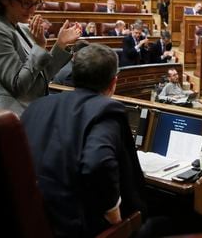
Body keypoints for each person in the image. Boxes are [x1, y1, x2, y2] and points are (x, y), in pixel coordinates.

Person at [21, 44, 147, 237]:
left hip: (33, 219)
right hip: (75, 227)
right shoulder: (105, 109)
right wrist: (112, 211)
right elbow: (97, 164)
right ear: (114, 82)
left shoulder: (36, 106)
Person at [0, 0, 81, 116]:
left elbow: (41, 76)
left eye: (36, 3)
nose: (33, 10)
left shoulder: (21, 27)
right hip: (4, 119)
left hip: (27, 112)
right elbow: (18, 85)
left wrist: (60, 44)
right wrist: (39, 47)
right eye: (27, 3)